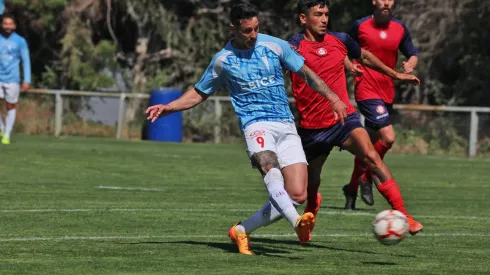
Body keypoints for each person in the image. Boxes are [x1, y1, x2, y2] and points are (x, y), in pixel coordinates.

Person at [146, 3, 348, 255]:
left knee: (297, 193)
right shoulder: (223, 60)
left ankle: (241, 230)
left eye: (255, 29)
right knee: (269, 166)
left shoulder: (275, 46)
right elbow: (199, 92)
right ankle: (296, 221)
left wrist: (333, 98)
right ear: (233, 28)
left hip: (285, 124)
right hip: (255, 124)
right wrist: (170, 107)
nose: (252, 35)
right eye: (246, 30)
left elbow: (307, 73)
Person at [288, 0, 423, 235]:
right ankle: (311, 210)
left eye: (326, 14)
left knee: (372, 157)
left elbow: (367, 57)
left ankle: (404, 214)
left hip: (343, 120)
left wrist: (395, 74)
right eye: (318, 14)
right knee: (311, 180)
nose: (324, 20)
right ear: (303, 18)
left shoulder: (340, 39)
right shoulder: (292, 46)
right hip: (311, 128)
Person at [344, 0, 419, 208]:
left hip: (388, 92)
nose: (386, 2)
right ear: (373, 2)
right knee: (388, 137)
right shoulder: (360, 26)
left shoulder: (399, 28)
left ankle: (351, 188)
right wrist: (350, 65)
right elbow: (342, 49)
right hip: (366, 88)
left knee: (367, 145)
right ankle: (367, 177)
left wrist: (409, 64)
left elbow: (412, 53)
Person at [0, 14, 31, 144]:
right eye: (5, 23)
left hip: (13, 79)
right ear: (1, 25)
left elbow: (25, 60)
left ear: (14, 26)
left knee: (10, 106)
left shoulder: (20, 41)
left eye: (10, 24)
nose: (7, 26)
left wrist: (27, 80)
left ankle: (6, 135)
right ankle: (1, 127)